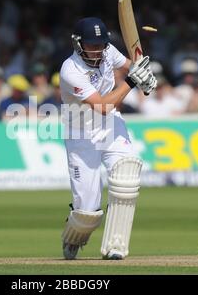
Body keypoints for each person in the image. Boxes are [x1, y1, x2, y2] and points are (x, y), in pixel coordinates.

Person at [59, 17, 156, 260]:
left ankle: (115, 244)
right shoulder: (71, 70)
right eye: (91, 45)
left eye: (101, 45)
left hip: (111, 124)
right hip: (81, 133)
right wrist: (133, 81)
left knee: (126, 175)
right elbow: (101, 106)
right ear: (78, 44)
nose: (97, 50)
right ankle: (74, 235)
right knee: (87, 212)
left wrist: (141, 70)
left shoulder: (107, 50)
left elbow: (126, 65)